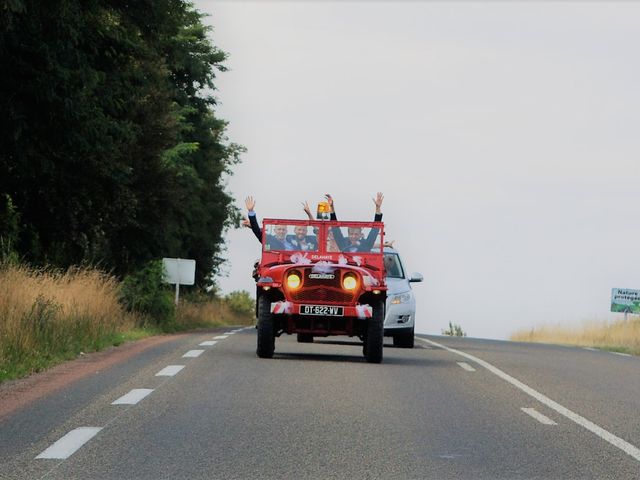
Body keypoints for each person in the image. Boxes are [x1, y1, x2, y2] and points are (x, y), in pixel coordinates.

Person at [244, 196, 314, 250]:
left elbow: (317, 232)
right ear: (275, 231)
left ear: (286, 231)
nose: (281, 231)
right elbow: (257, 230)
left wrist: (309, 214)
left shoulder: (293, 244)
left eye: (283, 230)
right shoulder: (269, 240)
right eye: (279, 229)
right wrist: (251, 211)